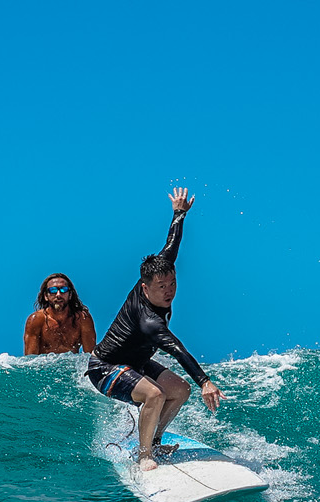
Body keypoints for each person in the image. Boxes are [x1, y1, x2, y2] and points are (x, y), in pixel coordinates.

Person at [86, 187, 224, 470]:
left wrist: (179, 214)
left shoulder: (158, 270)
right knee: (155, 394)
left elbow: (171, 245)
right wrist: (205, 382)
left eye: (172, 283)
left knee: (180, 390)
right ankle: (145, 454)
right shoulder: (149, 320)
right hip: (105, 368)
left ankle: (155, 441)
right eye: (162, 287)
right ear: (145, 288)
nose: (169, 290)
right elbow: (177, 350)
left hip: (135, 362)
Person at [23, 274, 98, 356]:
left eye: (63, 289)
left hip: (72, 364)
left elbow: (90, 356)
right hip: (44, 364)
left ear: (70, 295)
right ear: (46, 296)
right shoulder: (36, 320)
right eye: (53, 290)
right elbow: (30, 359)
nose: (58, 294)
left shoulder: (82, 319)